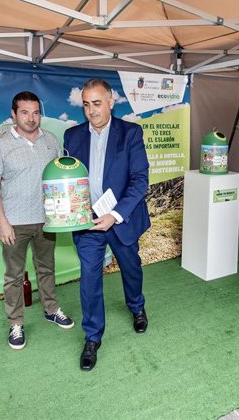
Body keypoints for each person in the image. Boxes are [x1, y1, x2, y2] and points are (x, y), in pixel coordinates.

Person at [63, 78, 151, 371]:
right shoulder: (72, 136)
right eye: (86, 104)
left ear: (111, 101)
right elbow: (70, 182)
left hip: (120, 220)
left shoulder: (131, 134)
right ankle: (92, 336)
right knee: (89, 278)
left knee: (131, 268)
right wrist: (76, 210)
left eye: (97, 103)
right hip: (88, 222)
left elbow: (140, 181)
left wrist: (115, 215)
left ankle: (137, 307)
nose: (91, 110)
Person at [0, 91, 75, 351]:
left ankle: (51, 309)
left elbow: (59, 179)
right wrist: (2, 221)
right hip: (14, 222)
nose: (31, 118)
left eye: (36, 112)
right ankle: (16, 323)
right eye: (24, 112)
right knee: (14, 275)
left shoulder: (51, 140)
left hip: (47, 220)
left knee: (46, 268)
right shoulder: (1, 143)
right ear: (14, 114)